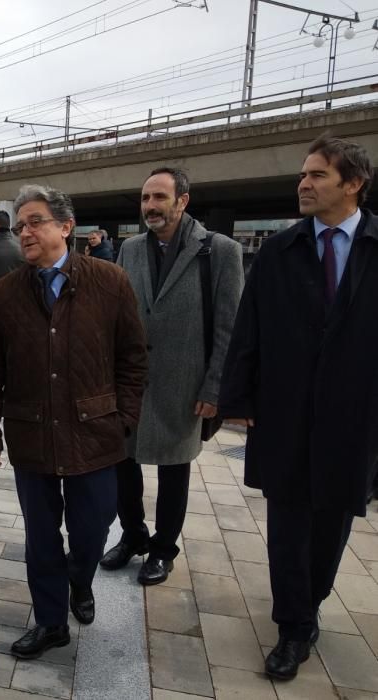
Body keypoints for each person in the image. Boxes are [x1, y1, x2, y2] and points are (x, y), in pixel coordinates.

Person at [219, 135, 378, 681]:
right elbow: (248, 331)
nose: (304, 185)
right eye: (302, 175)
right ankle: (291, 627)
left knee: (332, 521)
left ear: (353, 184)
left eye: (317, 176)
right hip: (284, 411)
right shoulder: (279, 252)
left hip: (356, 417)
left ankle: (309, 605)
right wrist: (237, 399)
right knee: (287, 524)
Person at [0, 184, 148, 659]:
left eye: (34, 222)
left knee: (93, 529)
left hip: (98, 436)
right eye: (19, 226)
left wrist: (125, 420)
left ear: (65, 227)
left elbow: (133, 359)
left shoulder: (110, 281)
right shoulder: (4, 294)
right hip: (32, 436)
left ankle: (80, 580)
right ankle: (51, 622)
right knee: (41, 537)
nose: (24, 233)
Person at [100, 167, 244, 585]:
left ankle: (163, 550)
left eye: (159, 198)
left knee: (174, 470)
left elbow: (228, 328)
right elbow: (118, 318)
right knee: (122, 464)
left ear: (182, 200)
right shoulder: (130, 249)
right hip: (130, 383)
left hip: (184, 383)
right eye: (145, 198)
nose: (150, 207)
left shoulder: (219, 251)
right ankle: (133, 536)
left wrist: (214, 387)